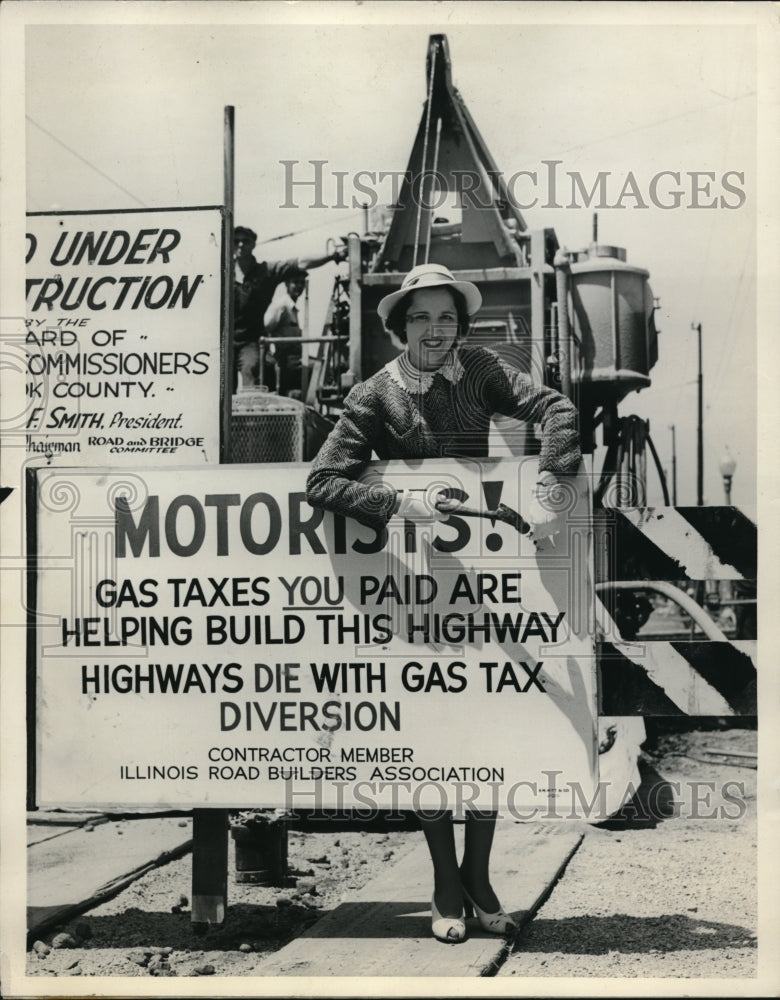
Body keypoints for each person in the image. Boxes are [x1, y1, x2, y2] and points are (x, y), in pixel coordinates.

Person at [306, 262, 582, 943]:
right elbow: (320, 480)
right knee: (431, 736)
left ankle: (480, 877)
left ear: (461, 327)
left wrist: (551, 479)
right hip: (412, 581)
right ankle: (443, 885)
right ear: (401, 326)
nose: (436, 331)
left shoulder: (483, 369)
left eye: (447, 318)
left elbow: (558, 409)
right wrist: (396, 497)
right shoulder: (375, 396)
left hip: (484, 575)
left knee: (486, 727)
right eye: (422, 318)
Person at [232, 226, 342, 391]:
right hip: (223, 342)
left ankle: (249, 417)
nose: (240, 245)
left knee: (252, 371)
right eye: (236, 241)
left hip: (249, 342)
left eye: (245, 241)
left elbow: (300, 263)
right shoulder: (220, 272)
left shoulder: (266, 272)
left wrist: (334, 255)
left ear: (254, 244)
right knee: (218, 386)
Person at [264, 268, 308, 397]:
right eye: (295, 282)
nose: (299, 286)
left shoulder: (293, 306)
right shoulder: (281, 305)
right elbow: (267, 326)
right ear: (286, 284)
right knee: (316, 371)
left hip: (294, 357)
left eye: (302, 283)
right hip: (284, 359)